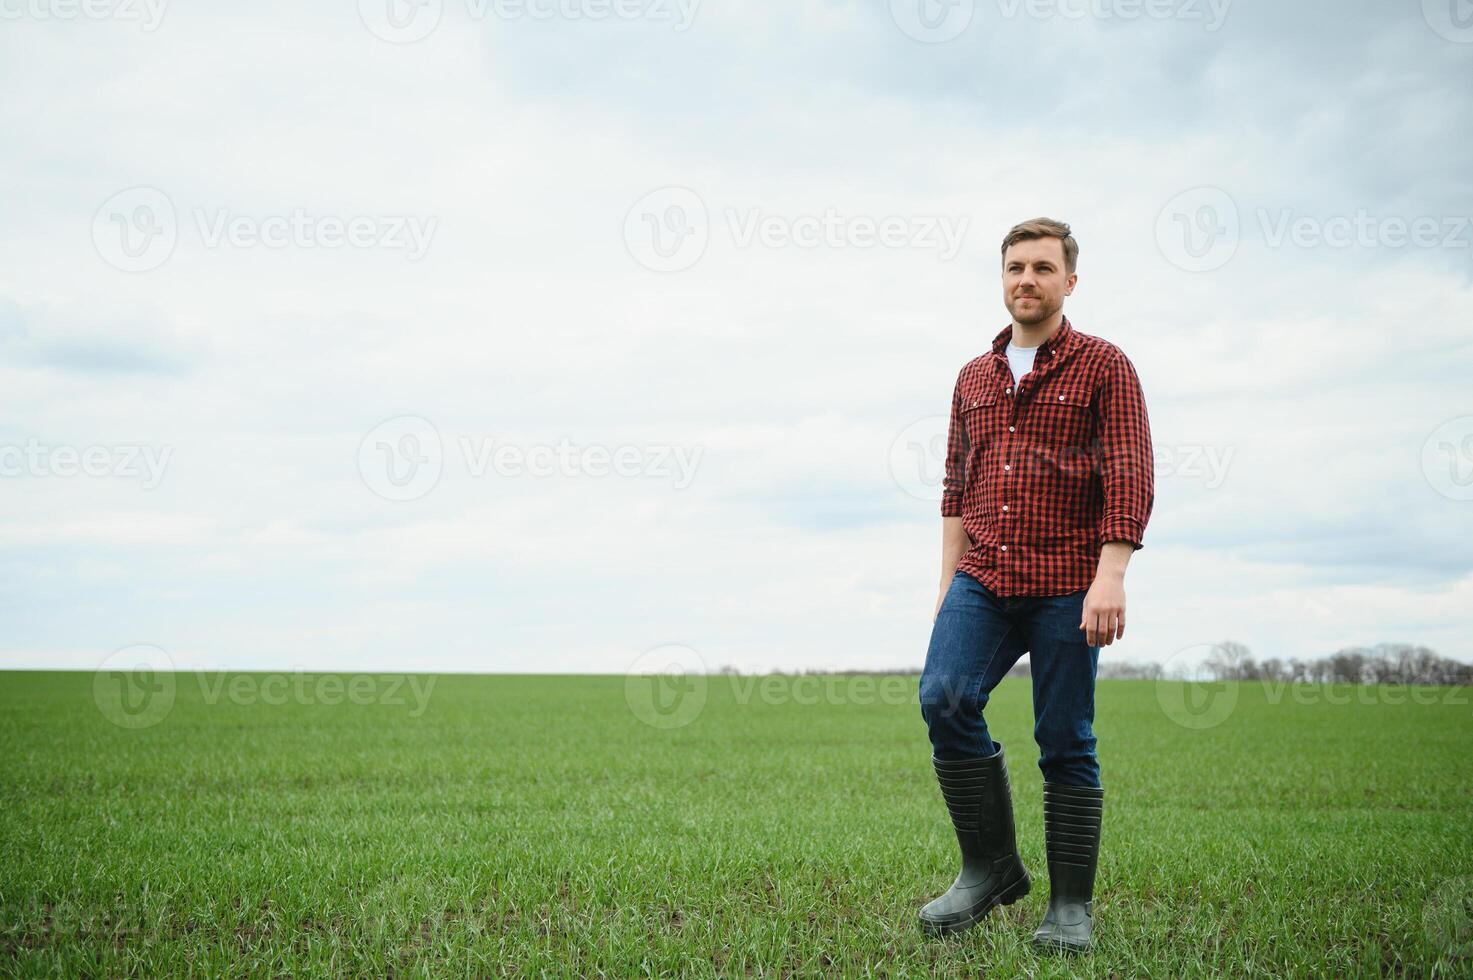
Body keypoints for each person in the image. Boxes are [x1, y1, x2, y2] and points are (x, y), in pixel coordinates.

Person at [916, 218, 1154, 954]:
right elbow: (957, 487)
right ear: (1002, 278)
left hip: (1067, 580)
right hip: (981, 578)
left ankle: (1070, 907)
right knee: (943, 696)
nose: (1027, 279)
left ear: (1068, 281)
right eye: (1015, 267)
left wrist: (1109, 576)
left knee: (1064, 738)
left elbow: (1128, 472)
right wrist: (947, 581)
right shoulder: (972, 378)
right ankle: (989, 869)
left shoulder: (1103, 365)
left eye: (1043, 268)